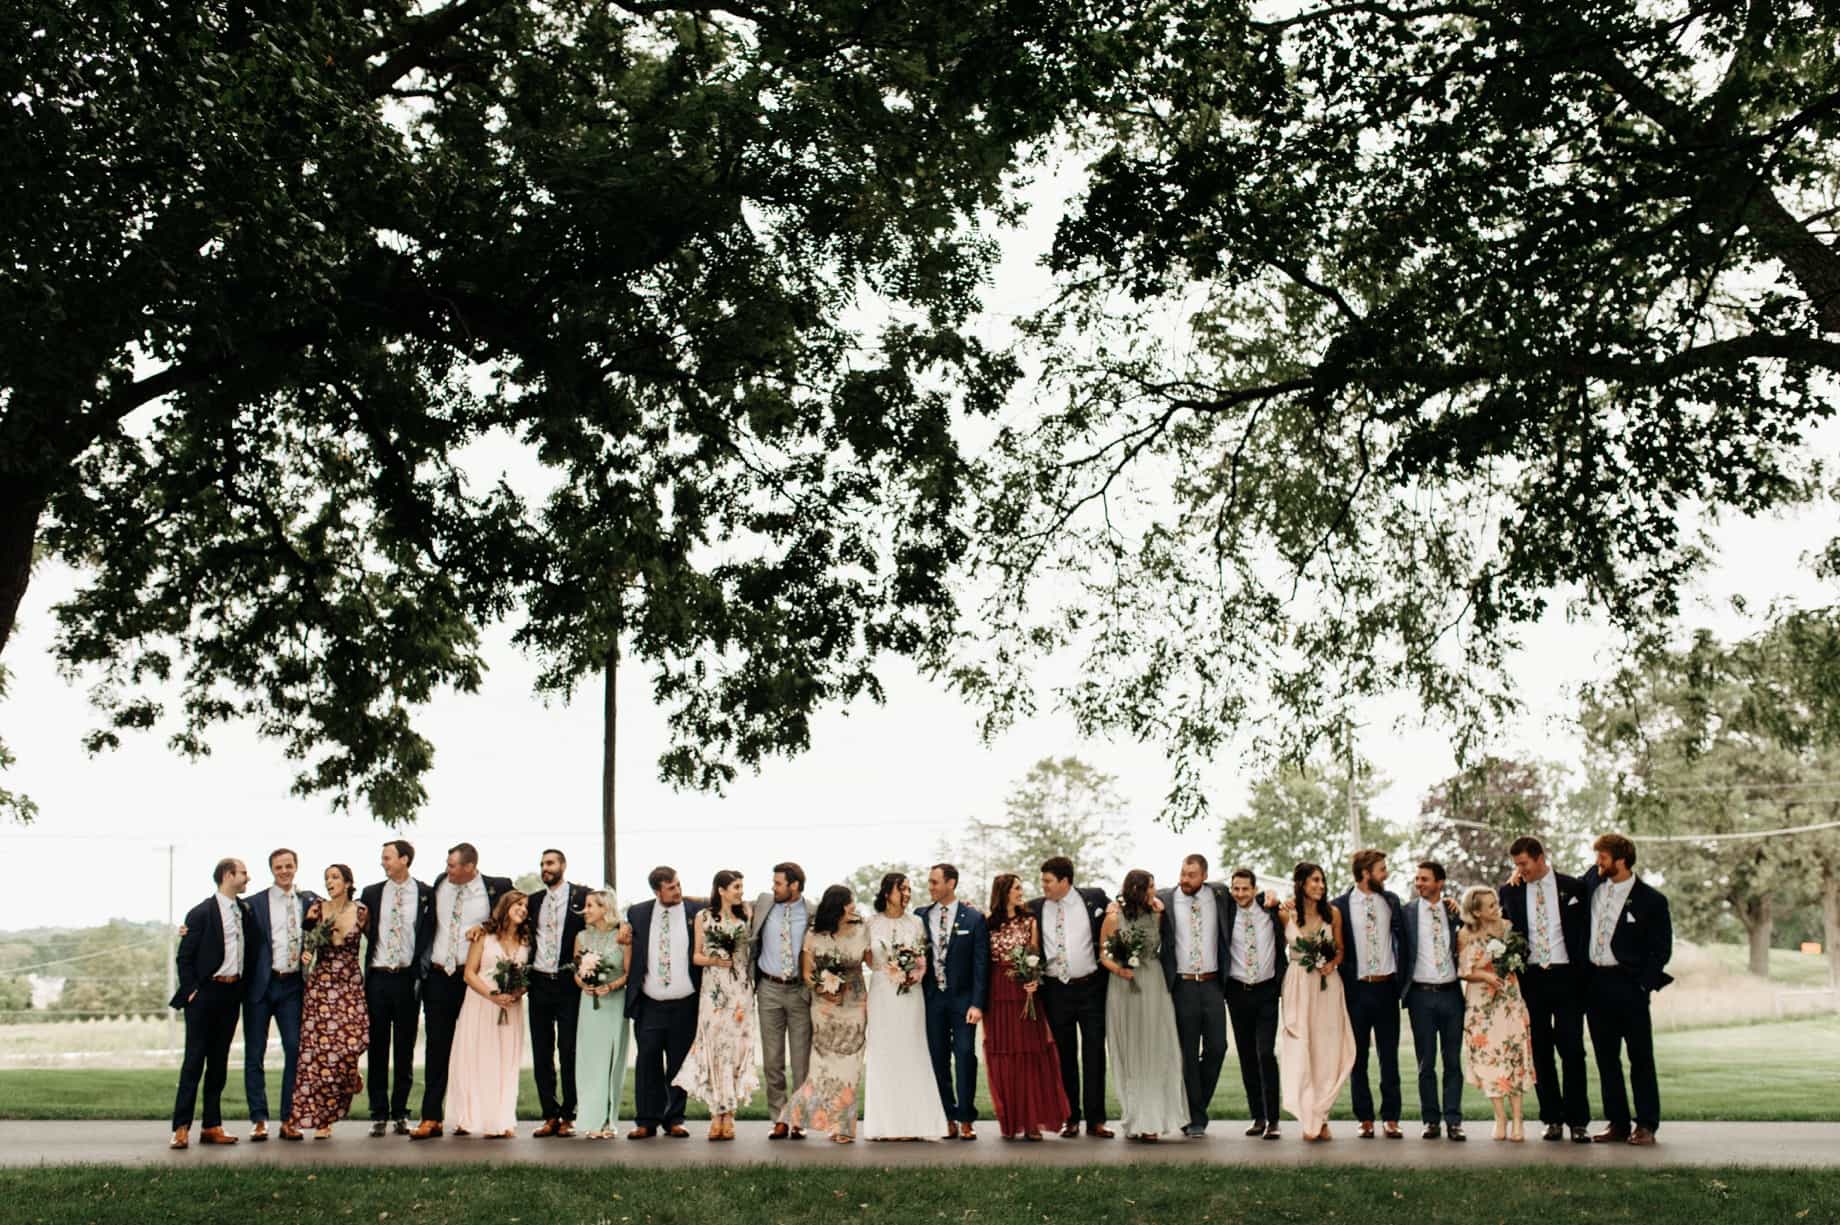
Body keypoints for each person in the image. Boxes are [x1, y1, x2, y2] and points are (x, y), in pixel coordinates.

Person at [412, 843, 514, 1140]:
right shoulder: (440, 885)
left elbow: (517, 915)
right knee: (437, 1046)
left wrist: (485, 925)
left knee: (475, 1046)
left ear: (470, 867)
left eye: (453, 865)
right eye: (447, 864)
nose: (448, 870)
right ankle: (431, 1117)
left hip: (473, 978)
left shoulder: (497, 888)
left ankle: (476, 1116)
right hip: (439, 976)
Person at [1581, 833, 1673, 1146]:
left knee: (1640, 1058)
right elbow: (1561, 884)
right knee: (1606, 1059)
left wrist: (1643, 985)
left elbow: (1661, 951)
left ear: (1621, 860)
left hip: (1630, 986)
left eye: (1603, 857)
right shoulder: (1593, 884)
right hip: (1595, 984)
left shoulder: (1652, 900)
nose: (1597, 863)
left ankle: (1646, 1124)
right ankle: (1617, 1123)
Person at [1499, 835, 1592, 1142]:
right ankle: (1551, 1118)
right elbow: (1497, 926)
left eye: (1524, 863)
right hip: (1532, 980)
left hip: (1567, 977)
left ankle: (1578, 1122)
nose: (1520, 869)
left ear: (1540, 858)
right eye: (1516, 865)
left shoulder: (1574, 887)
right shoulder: (1510, 892)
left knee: (1572, 1049)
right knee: (1539, 1050)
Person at [169, 857, 254, 1150]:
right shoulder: (201, 913)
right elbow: (184, 957)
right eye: (244, 873)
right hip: (204, 995)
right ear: (228, 875)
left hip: (232, 996)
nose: (248, 878)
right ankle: (181, 1128)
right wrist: (192, 991)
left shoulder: (245, 910)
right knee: (194, 1062)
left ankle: (211, 1126)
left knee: (219, 1064)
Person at [1101, 870, 1189, 1142]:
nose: (1155, 892)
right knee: (1130, 1052)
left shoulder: (1158, 914)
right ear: (1139, 889)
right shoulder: (1114, 917)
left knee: (1154, 1050)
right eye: (1151, 887)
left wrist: (1160, 909)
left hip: (1152, 982)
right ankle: (1134, 1117)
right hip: (1123, 986)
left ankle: (1151, 1120)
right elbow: (1103, 955)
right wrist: (1119, 970)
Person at [863, 872, 950, 1141]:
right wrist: (889, 968)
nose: (908, 894)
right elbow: (866, 958)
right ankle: (885, 1125)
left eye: (910, 889)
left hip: (911, 994)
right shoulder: (870, 923)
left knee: (912, 1051)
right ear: (888, 891)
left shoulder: (916, 922)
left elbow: (923, 957)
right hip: (881, 993)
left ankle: (917, 1124)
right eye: (903, 889)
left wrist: (911, 971)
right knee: (884, 1053)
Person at [674, 869, 760, 1140]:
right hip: (714, 993)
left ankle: (730, 1115)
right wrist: (715, 960)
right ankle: (716, 1114)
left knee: (735, 1050)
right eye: (736, 887)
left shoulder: (746, 915)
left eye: (741, 886)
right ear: (721, 890)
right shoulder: (704, 917)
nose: (740, 891)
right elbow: (696, 957)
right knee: (714, 1049)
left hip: (741, 993)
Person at [1030, 856, 1113, 1138]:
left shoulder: (1095, 898)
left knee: (1094, 1054)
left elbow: (1119, 911)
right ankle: (1071, 1118)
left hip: (1091, 989)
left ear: (1065, 881)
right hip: (1056, 991)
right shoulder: (1036, 907)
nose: (1043, 886)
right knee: (1064, 1056)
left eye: (1048, 881)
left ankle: (1096, 1120)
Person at [782, 884, 871, 1143]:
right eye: (849, 902)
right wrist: (822, 988)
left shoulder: (861, 928)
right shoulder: (814, 934)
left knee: (851, 1066)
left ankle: (844, 1127)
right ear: (838, 906)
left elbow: (871, 961)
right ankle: (826, 1121)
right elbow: (808, 972)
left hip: (854, 1005)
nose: (853, 906)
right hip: (824, 1008)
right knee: (823, 1066)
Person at [983, 873, 1068, 1141]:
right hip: (997, 995)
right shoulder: (987, 923)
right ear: (1004, 891)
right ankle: (1010, 1120)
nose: (1022, 892)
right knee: (1003, 1056)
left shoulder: (1029, 920)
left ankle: (1032, 1122)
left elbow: (1035, 955)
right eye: (1017, 888)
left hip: (1024, 993)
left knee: (1030, 1056)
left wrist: (1033, 980)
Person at [359, 839, 435, 1137]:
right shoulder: (372, 893)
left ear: (404, 859)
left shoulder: (426, 893)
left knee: (404, 1048)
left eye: (387, 857)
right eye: (382, 858)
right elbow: (365, 930)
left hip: (407, 978)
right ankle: (378, 1112)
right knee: (378, 1046)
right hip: (378, 976)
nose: (383, 862)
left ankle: (401, 1112)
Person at [243, 847, 319, 1141]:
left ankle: (289, 1118)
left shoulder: (309, 901)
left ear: (296, 867)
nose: (284, 871)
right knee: (255, 1054)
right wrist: (190, 928)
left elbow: (340, 910)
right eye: (279, 867)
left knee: (295, 1050)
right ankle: (259, 1119)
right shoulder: (253, 904)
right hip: (261, 986)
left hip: (292, 986)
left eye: (289, 866)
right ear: (271, 870)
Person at [289, 864, 369, 1138]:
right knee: (320, 1054)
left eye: (335, 877)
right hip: (321, 985)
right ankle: (323, 1121)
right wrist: (307, 950)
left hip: (350, 984)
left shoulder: (362, 912)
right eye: (326, 878)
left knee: (350, 1043)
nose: (329, 882)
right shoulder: (316, 910)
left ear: (348, 882)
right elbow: (305, 942)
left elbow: (379, 944)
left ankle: (350, 1074)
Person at [624, 865, 705, 1138]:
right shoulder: (637, 914)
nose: (678, 891)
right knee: (647, 1061)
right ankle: (646, 1120)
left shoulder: (696, 913)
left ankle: (675, 1119)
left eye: (679, 885)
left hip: (685, 1001)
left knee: (679, 1062)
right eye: (671, 888)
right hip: (650, 1002)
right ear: (657, 890)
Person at [1279, 861, 1356, 1141]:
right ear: (1300, 883)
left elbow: (1341, 949)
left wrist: (1332, 964)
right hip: (1298, 983)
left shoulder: (1333, 913)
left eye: (1322, 881)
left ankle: (1321, 1117)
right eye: (1314, 880)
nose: (1320, 886)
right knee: (1300, 1047)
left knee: (1326, 1050)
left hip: (1326, 986)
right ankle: (1309, 1117)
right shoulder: (1285, 913)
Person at [1332, 848, 1405, 1139]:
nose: (1385, 874)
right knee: (1357, 1057)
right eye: (1381, 869)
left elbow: (1404, 938)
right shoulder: (1339, 905)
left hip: (1387, 987)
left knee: (1390, 1057)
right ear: (1365, 873)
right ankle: (1364, 1118)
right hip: (1357, 990)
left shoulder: (1391, 901)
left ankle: (1391, 1118)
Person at [1157, 853, 1230, 1138]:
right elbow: (1129, 896)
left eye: (1191, 875)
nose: (1184, 879)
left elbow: (1250, 896)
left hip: (1212, 984)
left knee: (1218, 1047)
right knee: (1187, 1053)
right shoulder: (1165, 898)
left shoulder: (1221, 895)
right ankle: (1195, 1118)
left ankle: (1192, 1107)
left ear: (1204, 875)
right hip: (1182, 985)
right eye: (1182, 873)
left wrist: (1271, 897)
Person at [448, 891, 531, 1138]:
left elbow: (528, 976)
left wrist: (517, 992)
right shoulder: (484, 936)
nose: (523, 909)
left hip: (511, 1007)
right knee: (479, 1058)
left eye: (526, 906)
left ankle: (502, 1118)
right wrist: (492, 995)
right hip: (482, 1003)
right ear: (505, 906)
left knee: (506, 1060)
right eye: (518, 904)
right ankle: (470, 1117)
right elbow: (469, 974)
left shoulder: (526, 941)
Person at [916, 863, 989, 1140]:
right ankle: (947, 1116)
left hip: (963, 1002)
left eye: (935, 882)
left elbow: (981, 965)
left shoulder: (973, 918)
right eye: (930, 882)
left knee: (964, 1056)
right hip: (932, 1000)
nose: (930, 887)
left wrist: (977, 1003)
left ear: (951, 883)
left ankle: (966, 1118)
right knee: (937, 1059)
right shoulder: (920, 916)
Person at [1457, 884, 1535, 1141]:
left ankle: (1518, 1120)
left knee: (1514, 1055)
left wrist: (1508, 964)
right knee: (1490, 1058)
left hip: (1508, 999)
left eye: (1496, 902)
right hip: (1482, 1004)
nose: (1496, 907)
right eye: (1490, 905)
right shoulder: (1465, 935)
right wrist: (1486, 976)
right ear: (1476, 912)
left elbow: (1519, 958)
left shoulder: (1507, 928)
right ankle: (1500, 1118)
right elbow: (1464, 971)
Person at [527, 848, 591, 1138]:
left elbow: (606, 917)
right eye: (542, 864)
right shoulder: (533, 901)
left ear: (563, 865)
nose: (545, 868)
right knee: (542, 1052)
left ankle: (569, 1113)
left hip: (568, 984)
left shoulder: (581, 896)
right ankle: (549, 1114)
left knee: (569, 1050)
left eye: (550, 863)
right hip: (539, 983)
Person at [1401, 861, 1466, 1141]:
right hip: (1420, 996)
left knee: (1452, 1061)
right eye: (1417, 879)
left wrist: (1460, 913)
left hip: (1452, 994)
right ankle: (1431, 1120)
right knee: (1425, 1063)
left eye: (1425, 879)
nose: (1419, 883)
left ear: (1440, 882)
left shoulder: (1454, 912)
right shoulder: (1406, 913)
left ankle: (1453, 1120)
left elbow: (1477, 930)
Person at [752, 862, 815, 1140]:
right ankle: (779, 1117)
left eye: (778, 883)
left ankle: (798, 1118)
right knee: (772, 1059)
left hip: (800, 991)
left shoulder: (813, 911)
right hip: (769, 989)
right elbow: (719, 901)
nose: (772, 887)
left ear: (794, 886)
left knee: (801, 1060)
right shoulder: (765, 903)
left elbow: (847, 916)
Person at [1223, 868, 1285, 1140]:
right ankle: (1258, 1116)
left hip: (1267, 992)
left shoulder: (1270, 910)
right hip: (1237, 992)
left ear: (1255, 889)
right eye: (1235, 889)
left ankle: (1274, 1120)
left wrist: (1276, 898)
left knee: (1265, 1053)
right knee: (1247, 1056)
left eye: (1245, 889)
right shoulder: (1226, 911)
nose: (1240, 894)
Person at [571, 890, 632, 1139]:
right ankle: (589, 1119)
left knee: (612, 1060)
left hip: (614, 1003)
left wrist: (610, 986)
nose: (585, 910)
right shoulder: (581, 937)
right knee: (590, 1061)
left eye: (590, 906)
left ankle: (608, 1121)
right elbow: (575, 969)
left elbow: (629, 972)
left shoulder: (622, 936)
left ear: (604, 908)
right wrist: (582, 983)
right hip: (589, 1004)